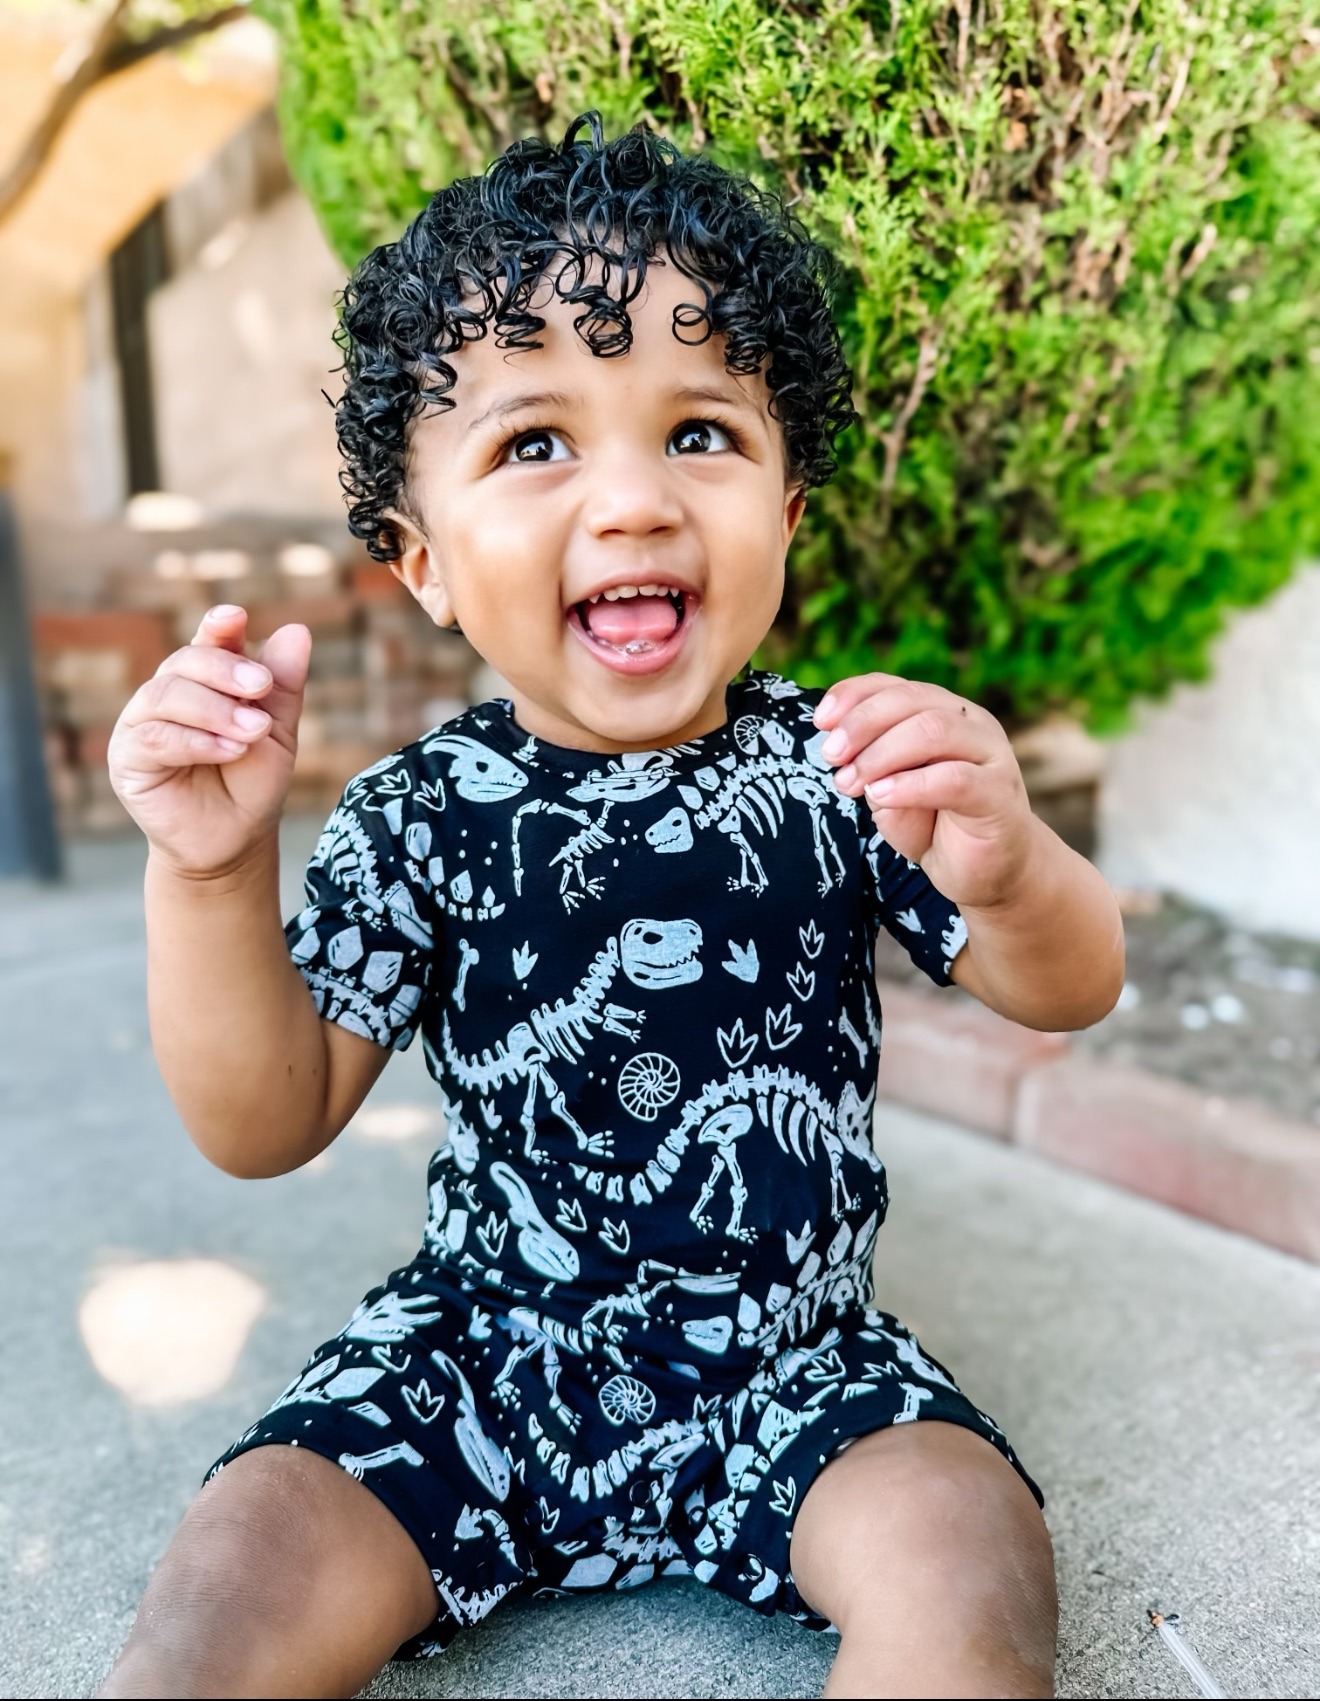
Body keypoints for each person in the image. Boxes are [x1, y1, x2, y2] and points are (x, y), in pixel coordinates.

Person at [101, 112, 1123, 1699]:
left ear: (787, 513)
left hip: (795, 1365)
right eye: (536, 444)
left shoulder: (845, 767)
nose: (637, 499)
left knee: (968, 1546)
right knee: (235, 1563)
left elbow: (1070, 983)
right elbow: (265, 1118)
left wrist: (1011, 869)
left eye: (701, 431)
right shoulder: (418, 815)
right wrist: (213, 871)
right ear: (425, 561)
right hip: (477, 1357)